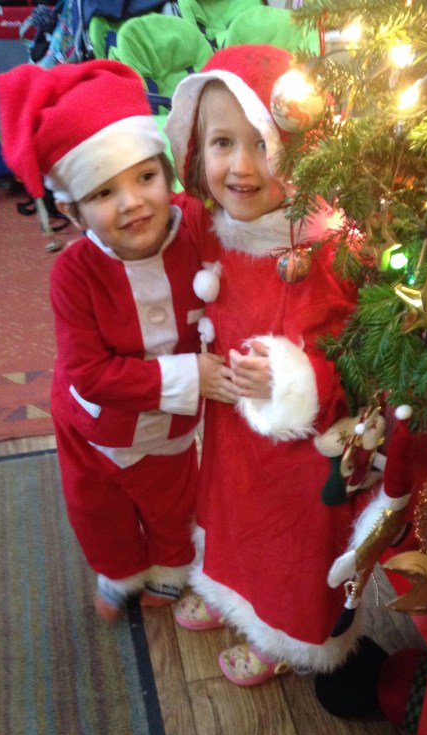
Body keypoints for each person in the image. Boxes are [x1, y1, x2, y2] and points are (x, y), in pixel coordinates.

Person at [0, 60, 236, 620]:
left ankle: (171, 566)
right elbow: (88, 373)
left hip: (169, 429)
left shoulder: (194, 224)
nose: (132, 202)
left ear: (167, 175)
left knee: (172, 502)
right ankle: (118, 568)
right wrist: (190, 375)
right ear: (71, 211)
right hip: (89, 424)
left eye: (145, 178)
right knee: (94, 507)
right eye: (104, 191)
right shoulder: (73, 274)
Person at [163, 45, 361, 686]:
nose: (242, 167)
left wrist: (289, 378)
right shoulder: (212, 226)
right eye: (223, 143)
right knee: (228, 514)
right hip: (230, 435)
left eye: (263, 144)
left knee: (287, 542)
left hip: (297, 457)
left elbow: (349, 360)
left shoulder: (323, 251)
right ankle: (227, 590)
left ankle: (281, 633)